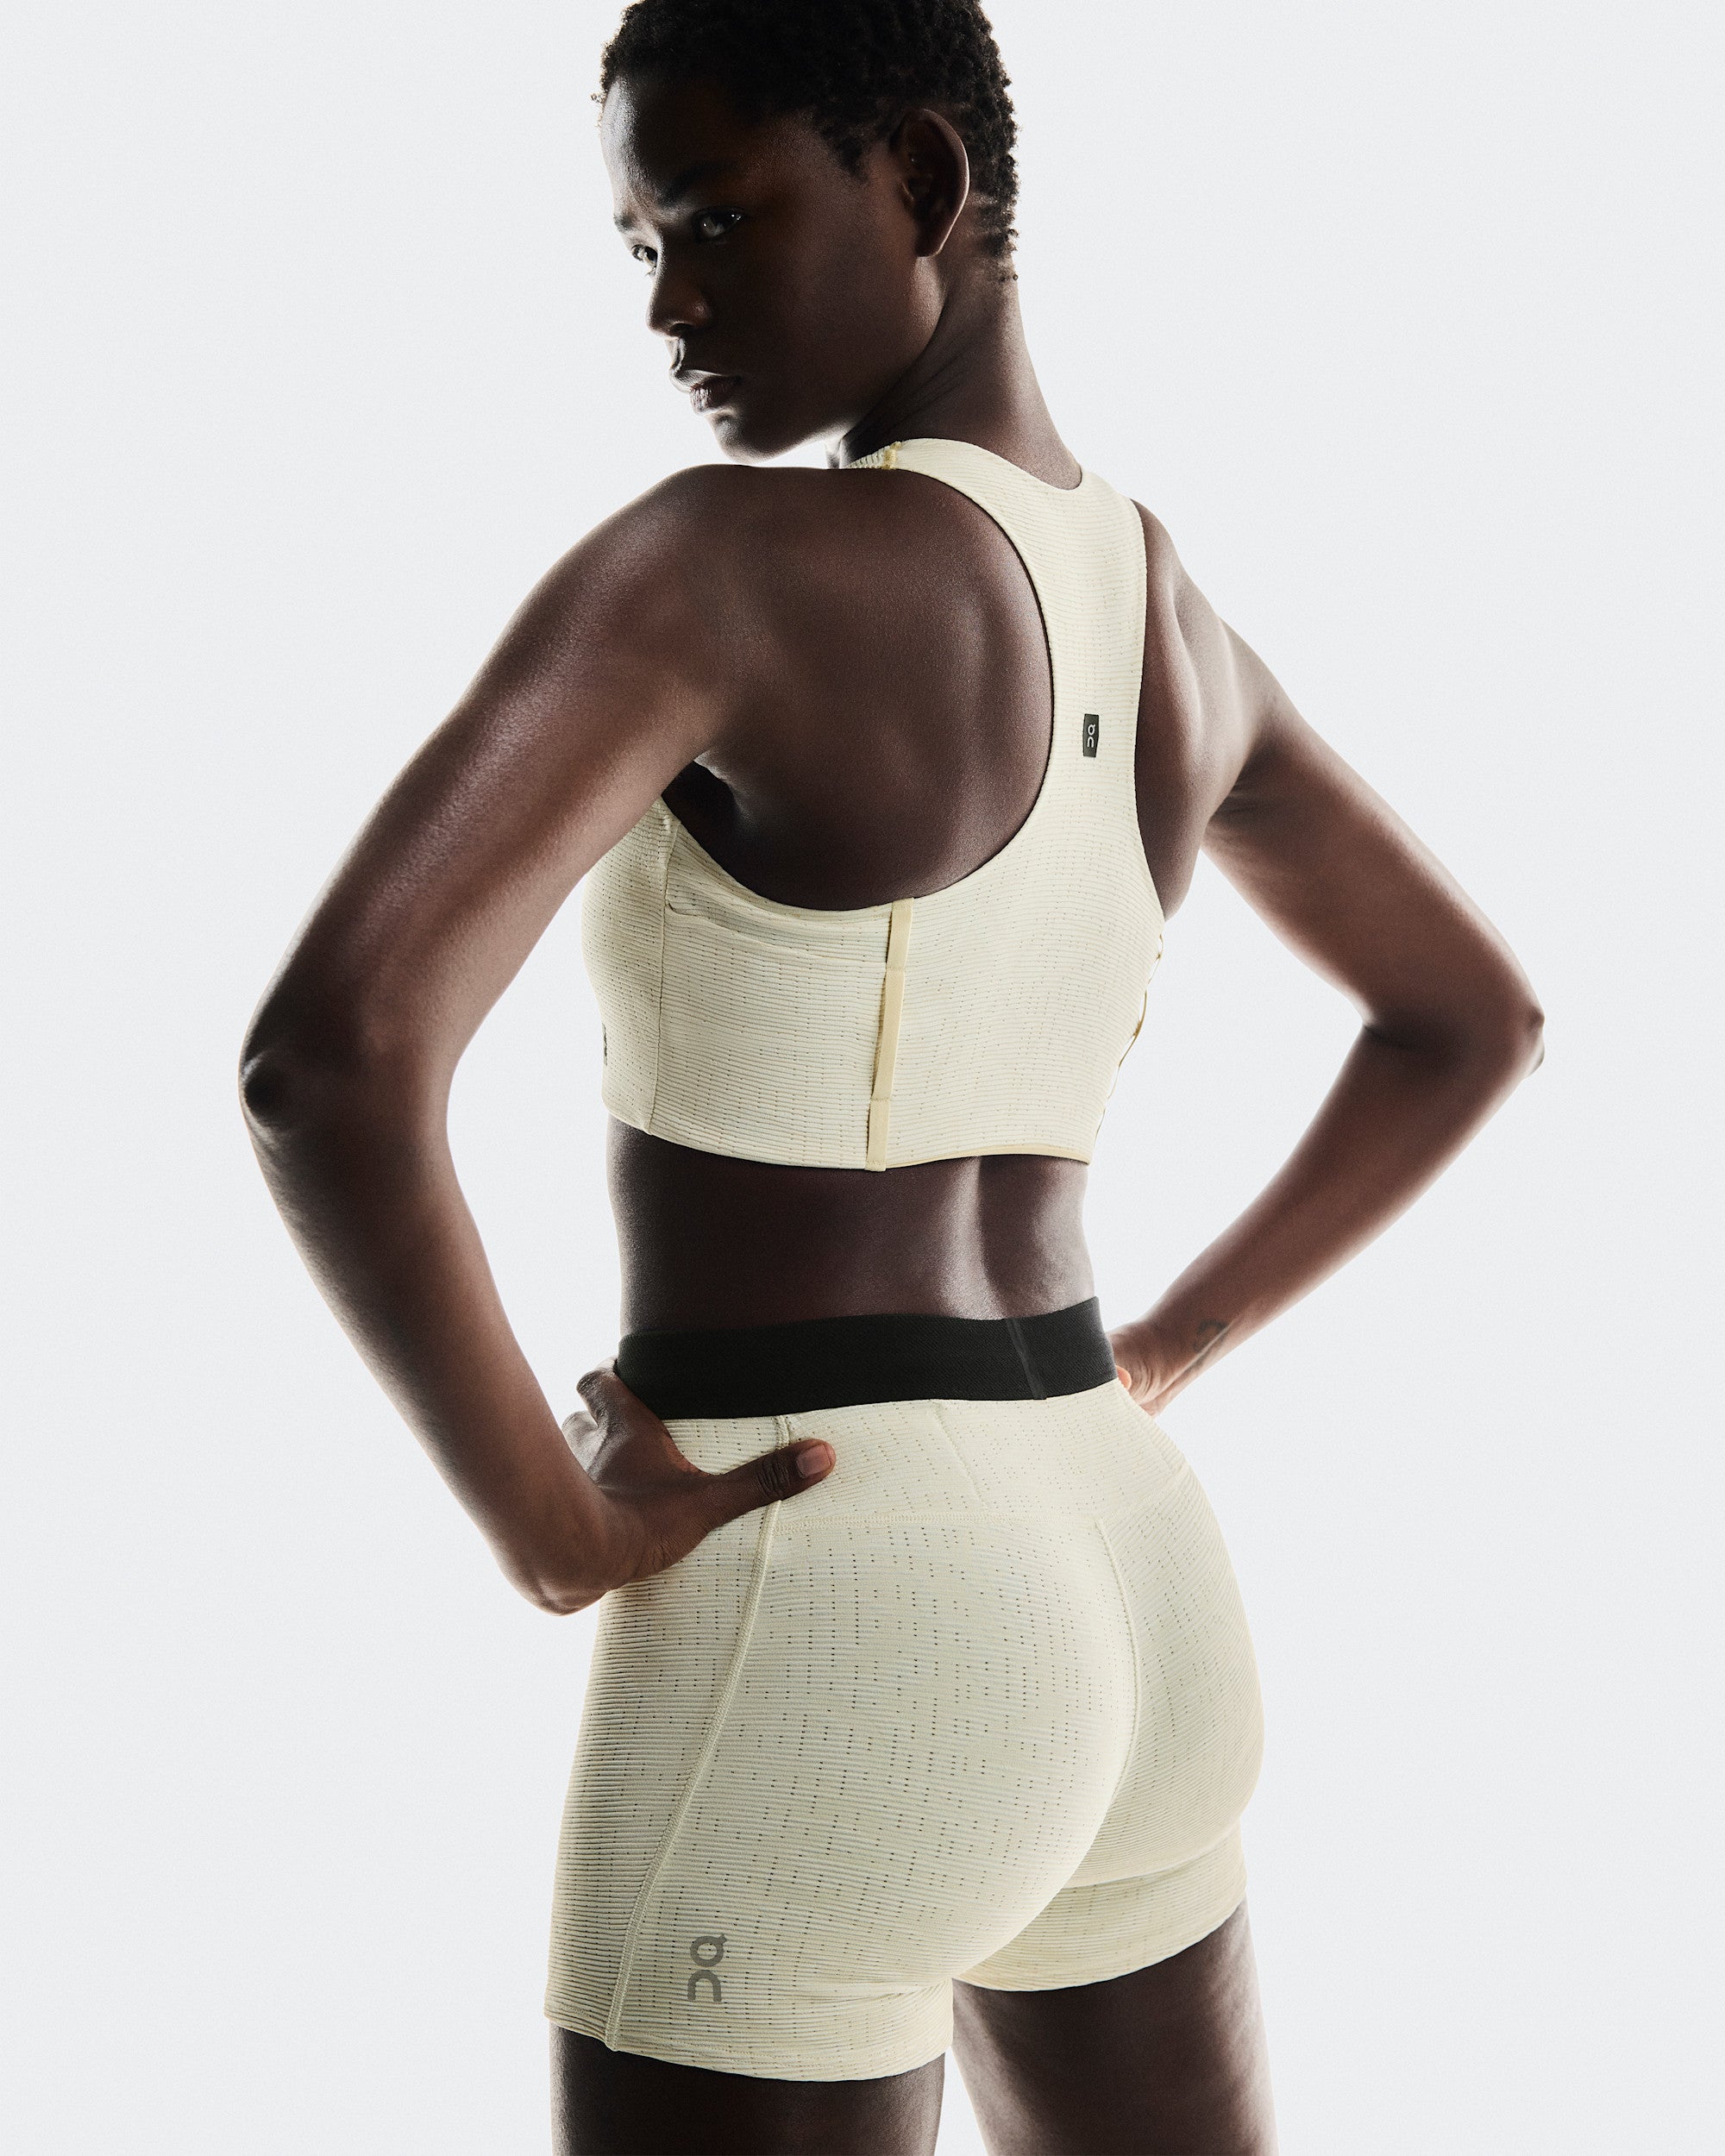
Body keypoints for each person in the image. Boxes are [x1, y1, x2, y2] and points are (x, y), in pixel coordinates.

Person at [239, 3, 1544, 2149]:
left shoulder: (724, 570)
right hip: (1127, 1562)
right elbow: (1465, 1018)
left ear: (921, 183)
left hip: (829, 1575)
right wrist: (1159, 1349)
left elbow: (330, 1060)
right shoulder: (1167, 614)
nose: (666, 305)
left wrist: (555, 1529)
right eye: (638, 247)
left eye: (713, 219)